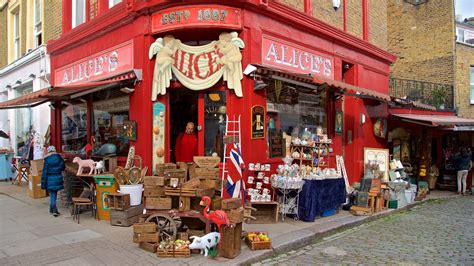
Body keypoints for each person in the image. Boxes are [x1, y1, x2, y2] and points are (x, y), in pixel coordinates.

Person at [41, 146, 65, 216]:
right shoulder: (59, 157)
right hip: (58, 177)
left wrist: (43, 183)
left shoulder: (46, 159)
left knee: (52, 193)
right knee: (54, 193)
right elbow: (63, 167)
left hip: (50, 178)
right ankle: (52, 209)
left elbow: (44, 172)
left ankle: (53, 209)